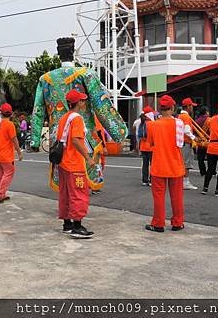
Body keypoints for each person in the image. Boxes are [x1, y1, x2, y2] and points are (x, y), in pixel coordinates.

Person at [30, 37, 128, 194]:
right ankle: (77, 211)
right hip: (84, 136)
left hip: (58, 138)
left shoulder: (45, 79)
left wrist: (35, 140)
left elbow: (38, 110)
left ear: (58, 54)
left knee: (65, 177)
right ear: (73, 52)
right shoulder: (86, 74)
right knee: (82, 176)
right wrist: (118, 131)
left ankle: (68, 210)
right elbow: (101, 104)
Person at [56, 89, 97, 239]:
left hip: (63, 162)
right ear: (78, 103)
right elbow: (75, 140)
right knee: (79, 194)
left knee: (65, 194)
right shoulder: (77, 119)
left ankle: (67, 224)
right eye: (82, 100)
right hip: (74, 163)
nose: (84, 102)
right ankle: (77, 226)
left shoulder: (64, 118)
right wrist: (88, 158)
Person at [145, 95, 185, 232]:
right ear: (172, 108)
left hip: (159, 165)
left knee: (158, 197)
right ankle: (177, 223)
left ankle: (158, 223)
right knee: (177, 196)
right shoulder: (179, 124)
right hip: (176, 165)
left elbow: (150, 143)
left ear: (159, 109)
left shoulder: (152, 125)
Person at [0, 103, 23, 203]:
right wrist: (19, 152)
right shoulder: (10, 125)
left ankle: (1, 193)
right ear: (11, 113)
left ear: (1, 113)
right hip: (6, 155)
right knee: (9, 173)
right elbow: (14, 140)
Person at [179, 98, 198, 189]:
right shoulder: (186, 117)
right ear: (188, 106)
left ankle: (183, 182)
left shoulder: (180, 116)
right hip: (186, 143)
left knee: (183, 163)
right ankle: (185, 182)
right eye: (191, 106)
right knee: (186, 164)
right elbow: (186, 130)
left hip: (182, 143)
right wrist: (194, 138)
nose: (192, 108)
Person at [138, 106, 155, 186]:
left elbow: (140, 135)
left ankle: (144, 180)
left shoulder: (142, 123)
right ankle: (151, 180)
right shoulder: (152, 123)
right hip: (151, 147)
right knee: (152, 164)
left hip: (143, 147)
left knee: (145, 164)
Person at [195, 106, 210, 176]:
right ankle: (211, 171)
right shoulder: (210, 120)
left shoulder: (196, 120)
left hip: (200, 142)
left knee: (200, 158)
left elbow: (194, 132)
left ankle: (202, 171)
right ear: (206, 112)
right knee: (210, 158)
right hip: (209, 141)